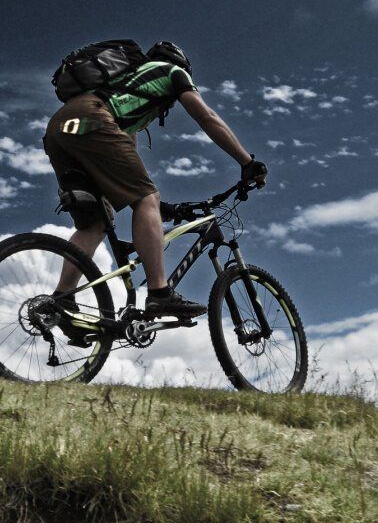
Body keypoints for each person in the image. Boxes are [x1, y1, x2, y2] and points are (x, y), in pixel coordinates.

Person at [44, 40, 267, 322]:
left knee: (95, 223)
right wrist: (247, 162)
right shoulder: (171, 72)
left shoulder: (122, 91)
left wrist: (157, 206)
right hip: (92, 118)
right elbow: (206, 117)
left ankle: (63, 299)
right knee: (146, 199)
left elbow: (126, 166)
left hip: (60, 128)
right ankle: (160, 293)